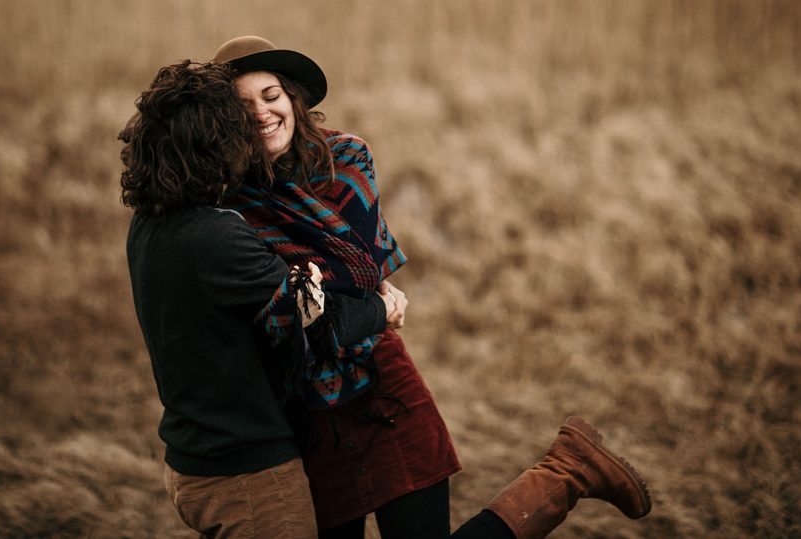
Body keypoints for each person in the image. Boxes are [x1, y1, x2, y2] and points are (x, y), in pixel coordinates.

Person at [210, 35, 654, 539]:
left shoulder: (345, 158)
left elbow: (356, 272)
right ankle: (569, 468)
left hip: (383, 390)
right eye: (243, 106)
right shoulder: (228, 204)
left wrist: (320, 292)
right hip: (304, 414)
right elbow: (290, 303)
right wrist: (334, 297)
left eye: (270, 95)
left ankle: (565, 474)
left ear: (292, 98)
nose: (263, 113)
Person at [119, 60, 395, 538]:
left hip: (192, 457)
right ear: (210, 147)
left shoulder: (148, 223)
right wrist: (382, 308)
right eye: (232, 131)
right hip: (248, 472)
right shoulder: (219, 236)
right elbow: (319, 322)